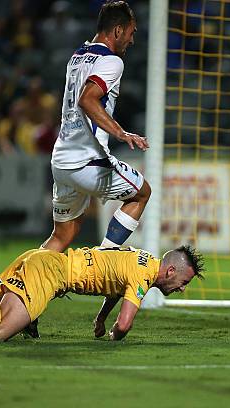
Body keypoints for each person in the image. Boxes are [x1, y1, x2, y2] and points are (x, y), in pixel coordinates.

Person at [0, 239, 204, 342]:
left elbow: (115, 288)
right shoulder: (141, 276)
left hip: (36, 258)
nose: (182, 289)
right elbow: (124, 324)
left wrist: (99, 320)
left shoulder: (144, 259)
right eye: (184, 282)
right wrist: (113, 333)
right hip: (49, 274)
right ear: (171, 270)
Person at [42, 0, 150, 253]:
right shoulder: (113, 62)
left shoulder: (78, 56)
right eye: (132, 32)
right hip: (86, 162)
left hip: (62, 161)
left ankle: (4, 286)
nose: (132, 40)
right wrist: (121, 133)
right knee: (142, 193)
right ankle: (101, 261)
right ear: (118, 31)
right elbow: (87, 99)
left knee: (62, 236)